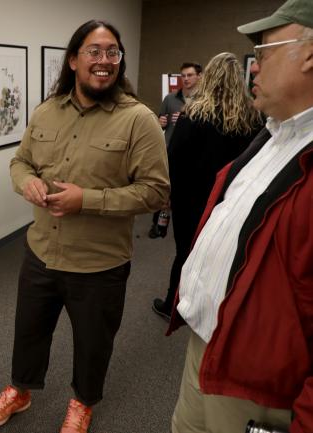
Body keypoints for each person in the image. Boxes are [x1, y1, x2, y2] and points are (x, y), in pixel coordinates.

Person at [0, 20, 170, 433]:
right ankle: (21, 391)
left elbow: (156, 193)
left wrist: (88, 200)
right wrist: (26, 181)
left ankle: (83, 402)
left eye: (113, 52)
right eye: (94, 51)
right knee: (28, 331)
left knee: (93, 343)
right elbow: (20, 161)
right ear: (73, 59)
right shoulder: (47, 110)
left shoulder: (139, 120)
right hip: (42, 251)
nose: (104, 61)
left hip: (99, 264)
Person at [167, 1, 313, 432]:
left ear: (309, 55)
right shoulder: (272, 134)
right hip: (208, 350)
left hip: (259, 387)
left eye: (264, 50)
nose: (254, 66)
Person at [151, 52, 262, 321]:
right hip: (230, 200)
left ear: (208, 78)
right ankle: (209, 306)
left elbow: (174, 160)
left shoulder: (194, 115)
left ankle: (172, 304)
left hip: (190, 199)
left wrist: (166, 196)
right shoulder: (253, 118)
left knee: (185, 253)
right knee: (219, 254)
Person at [148, 62, 202, 239]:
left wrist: (188, 118)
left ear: (199, 76)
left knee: (185, 190)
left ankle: (185, 225)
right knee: (164, 187)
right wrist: (160, 123)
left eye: (190, 75)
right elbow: (159, 120)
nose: (186, 79)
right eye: (183, 76)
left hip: (193, 152)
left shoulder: (204, 100)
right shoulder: (170, 99)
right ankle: (157, 225)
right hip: (170, 150)